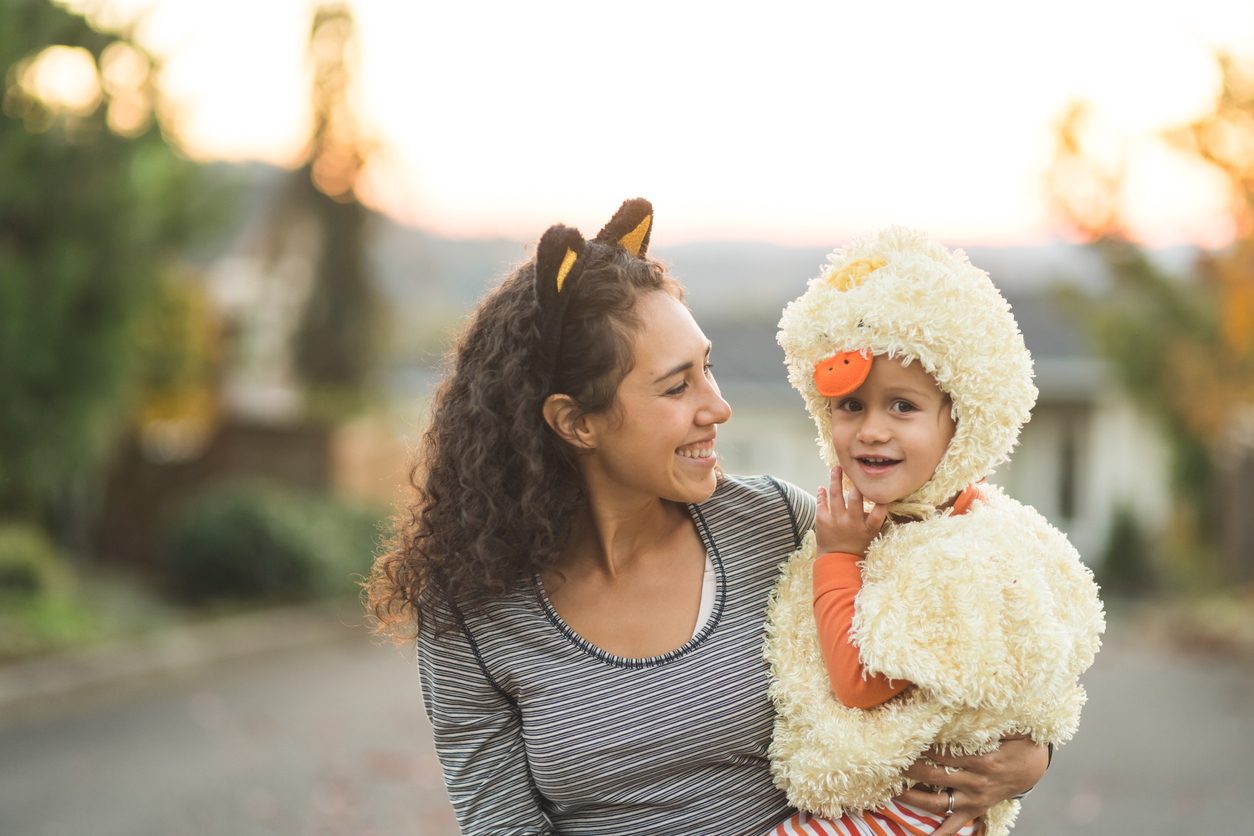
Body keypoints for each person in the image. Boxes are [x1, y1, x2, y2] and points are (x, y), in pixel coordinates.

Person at [366, 202, 1051, 836]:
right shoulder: (469, 609)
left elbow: (960, 640)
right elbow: (501, 825)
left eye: (709, 369)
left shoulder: (780, 528)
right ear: (575, 421)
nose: (717, 407)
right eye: (677, 386)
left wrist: (1032, 753)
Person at [765, 227, 1105, 836]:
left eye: (903, 406)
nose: (871, 430)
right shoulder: (914, 524)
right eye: (850, 406)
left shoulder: (955, 554)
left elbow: (861, 682)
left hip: (909, 808)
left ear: (962, 422)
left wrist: (838, 558)